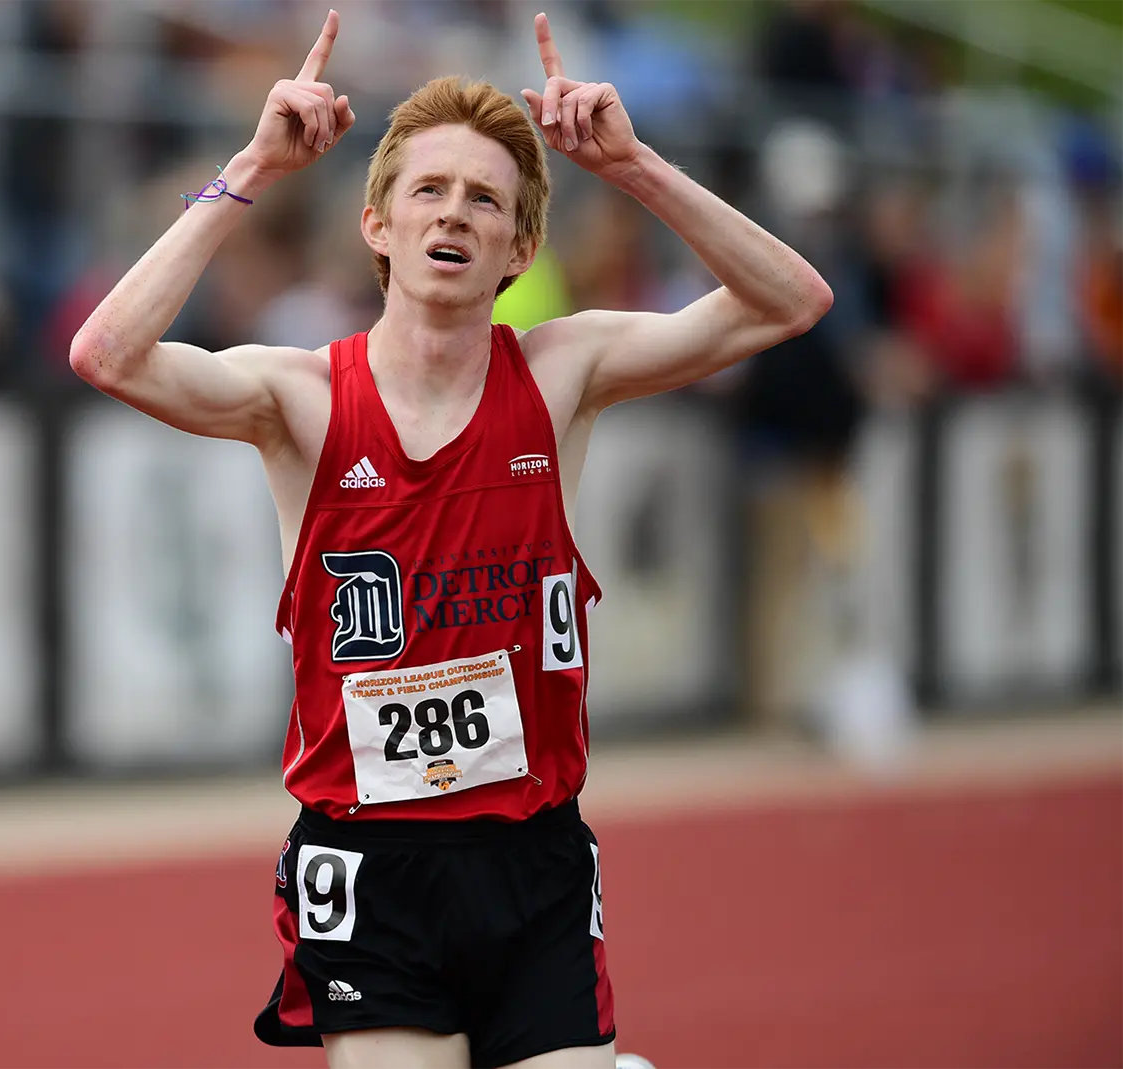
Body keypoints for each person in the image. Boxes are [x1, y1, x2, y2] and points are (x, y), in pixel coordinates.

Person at [68, 11, 830, 1069]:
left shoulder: (563, 374)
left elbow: (791, 300)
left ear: (519, 249)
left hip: (534, 859)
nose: (454, 215)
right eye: (429, 191)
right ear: (377, 224)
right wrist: (251, 166)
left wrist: (635, 168)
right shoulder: (298, 399)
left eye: (485, 200)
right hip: (371, 866)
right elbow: (106, 353)